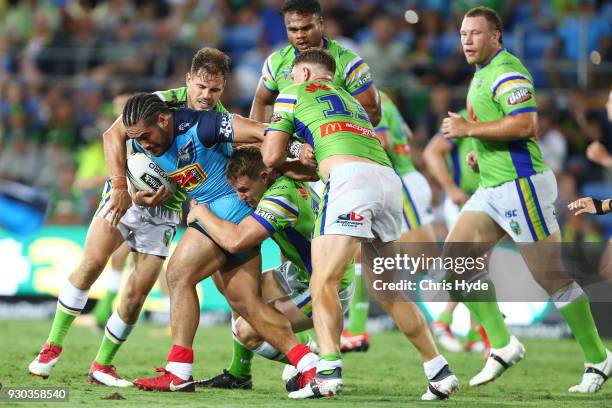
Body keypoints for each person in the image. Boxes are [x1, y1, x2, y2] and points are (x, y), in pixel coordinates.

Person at [28, 48, 240, 388]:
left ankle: (102, 365)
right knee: (93, 263)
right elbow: (113, 135)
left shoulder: (219, 121)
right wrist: (118, 186)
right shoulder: (161, 102)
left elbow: (206, 172)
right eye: (201, 87)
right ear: (189, 81)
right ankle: (50, 348)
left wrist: (174, 187)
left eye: (214, 90)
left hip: (166, 211)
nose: (206, 96)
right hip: (125, 193)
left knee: (136, 293)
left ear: (223, 88)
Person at [262, 48, 459, 400]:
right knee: (388, 288)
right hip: (387, 180)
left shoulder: (292, 93)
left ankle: (327, 373)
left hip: (349, 182)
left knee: (324, 281)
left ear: (304, 75)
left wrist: (294, 152)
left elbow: (270, 155)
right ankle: (439, 370)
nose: (288, 80)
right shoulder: (353, 101)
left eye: (292, 75)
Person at [440, 6, 611, 392]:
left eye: (476, 33)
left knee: (552, 278)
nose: (467, 40)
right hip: (494, 186)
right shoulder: (482, 73)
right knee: (455, 258)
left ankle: (599, 359)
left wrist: (470, 129)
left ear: (496, 36)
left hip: (522, 187)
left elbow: (525, 124)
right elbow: (506, 129)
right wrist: (480, 150)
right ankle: (502, 344)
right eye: (463, 34)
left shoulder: (507, 70)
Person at [113, 93, 319, 393]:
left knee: (178, 274)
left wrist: (298, 148)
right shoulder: (144, 143)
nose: (143, 144)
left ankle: (178, 370)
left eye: (146, 136)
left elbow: (262, 130)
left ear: (163, 119)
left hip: (230, 205)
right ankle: (309, 363)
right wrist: (133, 190)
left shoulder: (203, 125)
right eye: (136, 139)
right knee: (245, 304)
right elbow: (121, 146)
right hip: (221, 208)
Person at [187, 146, 351, 387]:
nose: (241, 197)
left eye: (244, 190)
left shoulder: (280, 198)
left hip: (330, 284)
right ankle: (239, 375)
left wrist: (202, 212)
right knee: (241, 294)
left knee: (247, 331)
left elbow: (236, 241)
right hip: (301, 271)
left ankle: (314, 365)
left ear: (263, 177)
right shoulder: (281, 180)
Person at [341, 91, 437, 352]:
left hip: (400, 184)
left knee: (428, 264)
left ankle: (484, 323)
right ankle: (357, 331)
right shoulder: (383, 96)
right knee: (362, 257)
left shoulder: (364, 98)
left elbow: (381, 141)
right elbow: (406, 133)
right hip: (392, 183)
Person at [250, 0, 380, 125]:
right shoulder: (275, 61)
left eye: (306, 28)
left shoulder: (348, 62)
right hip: (290, 144)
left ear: (321, 24)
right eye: (293, 30)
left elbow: (373, 113)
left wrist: (325, 128)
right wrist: (261, 138)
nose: (300, 35)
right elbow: (263, 102)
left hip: (332, 142)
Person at [424, 109, 488, 355]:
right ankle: (445, 319)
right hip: (465, 200)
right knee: (472, 265)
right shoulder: (462, 118)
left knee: (478, 266)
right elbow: (431, 152)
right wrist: (449, 188)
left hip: (485, 199)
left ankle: (473, 332)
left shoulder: (499, 119)